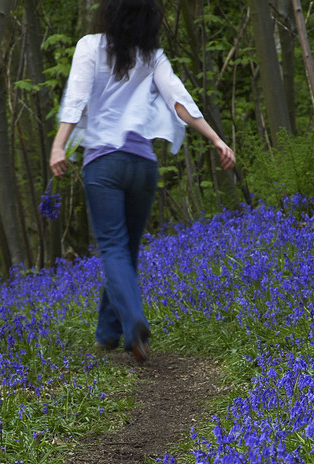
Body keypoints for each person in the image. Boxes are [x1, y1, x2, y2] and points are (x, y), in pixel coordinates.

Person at [49, 0, 235, 365]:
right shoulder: (153, 57)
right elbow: (179, 99)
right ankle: (108, 333)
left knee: (114, 249)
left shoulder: (90, 46)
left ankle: (133, 320)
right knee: (126, 251)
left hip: (104, 164)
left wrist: (59, 145)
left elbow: (77, 98)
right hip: (143, 166)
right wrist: (216, 139)